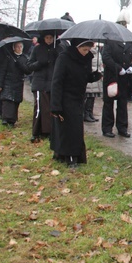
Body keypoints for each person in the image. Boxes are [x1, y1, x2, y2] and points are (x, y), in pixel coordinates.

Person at [50, 39, 101, 168]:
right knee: (69, 128)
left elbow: (84, 76)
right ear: (77, 48)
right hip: (65, 97)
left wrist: (94, 76)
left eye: (88, 50)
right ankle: (69, 156)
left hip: (78, 97)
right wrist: (55, 106)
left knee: (76, 127)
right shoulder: (64, 58)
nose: (86, 53)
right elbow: (57, 82)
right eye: (84, 50)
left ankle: (67, 154)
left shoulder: (86, 59)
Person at [101, 17, 132, 138]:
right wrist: (118, 68)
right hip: (112, 77)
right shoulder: (110, 41)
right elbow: (106, 58)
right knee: (108, 103)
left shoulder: (131, 43)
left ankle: (122, 128)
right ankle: (107, 128)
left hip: (125, 79)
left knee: (122, 104)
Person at [27, 33, 58, 143]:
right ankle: (36, 132)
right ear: (43, 38)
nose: (49, 40)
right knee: (40, 108)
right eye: (47, 38)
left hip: (52, 83)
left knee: (50, 108)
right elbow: (29, 65)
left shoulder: (57, 49)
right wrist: (40, 63)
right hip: (40, 83)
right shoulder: (37, 49)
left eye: (51, 38)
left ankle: (49, 131)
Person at [0, 41, 32, 127]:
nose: (19, 48)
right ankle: (5, 118)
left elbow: (28, 70)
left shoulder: (24, 58)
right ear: (14, 47)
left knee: (15, 101)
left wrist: (20, 64)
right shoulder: (8, 57)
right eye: (17, 47)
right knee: (7, 100)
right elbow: (2, 71)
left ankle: (12, 120)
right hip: (8, 81)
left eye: (20, 47)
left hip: (18, 82)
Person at [83, 45, 102, 123]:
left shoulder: (97, 52)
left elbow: (100, 62)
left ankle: (90, 113)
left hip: (96, 75)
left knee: (93, 96)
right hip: (91, 75)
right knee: (89, 96)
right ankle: (86, 114)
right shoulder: (89, 52)